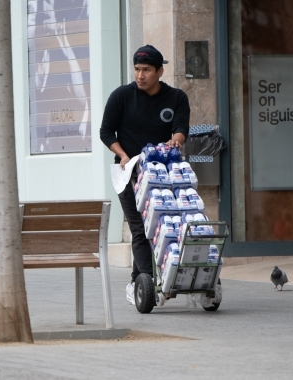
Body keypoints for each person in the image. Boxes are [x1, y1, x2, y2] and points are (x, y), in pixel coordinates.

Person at [99, 45, 190, 305]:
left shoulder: (177, 98)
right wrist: (123, 155)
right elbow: (106, 132)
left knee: (167, 227)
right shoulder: (121, 96)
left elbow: (181, 127)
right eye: (137, 69)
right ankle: (146, 282)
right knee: (140, 229)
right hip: (128, 173)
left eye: (147, 70)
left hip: (163, 174)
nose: (140, 75)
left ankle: (139, 281)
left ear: (160, 71)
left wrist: (175, 141)